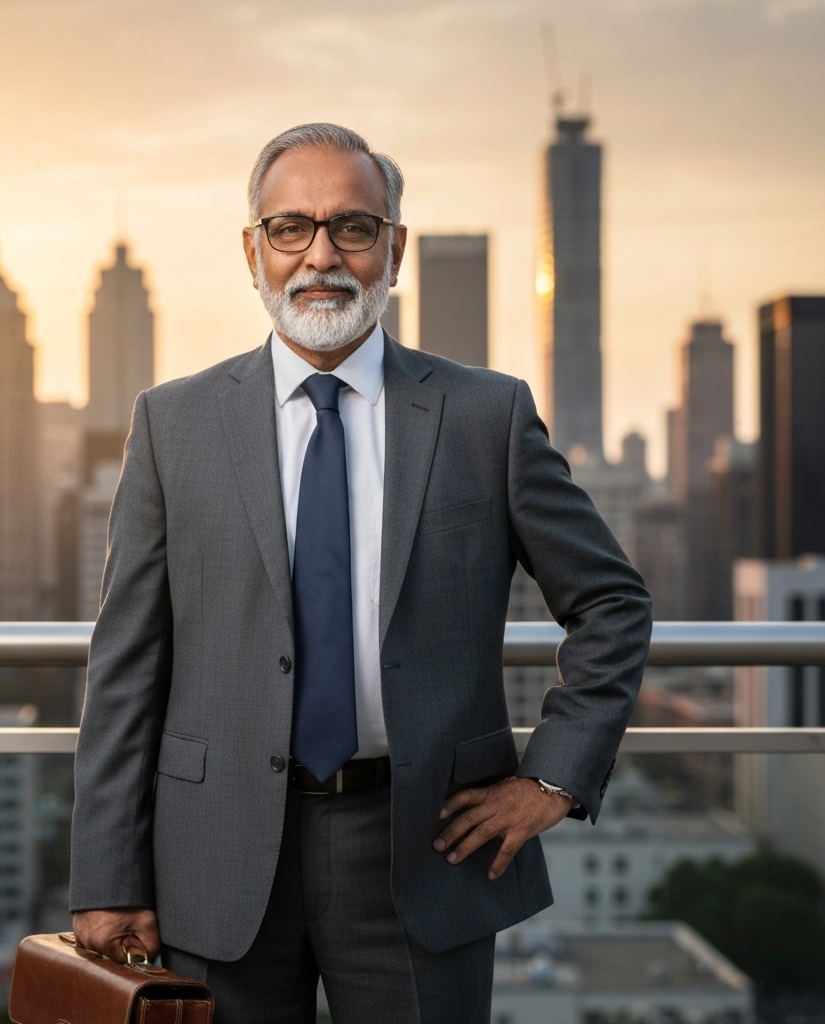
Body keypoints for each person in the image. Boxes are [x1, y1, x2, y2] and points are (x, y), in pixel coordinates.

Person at [70, 123, 652, 1023]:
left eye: (353, 227)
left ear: (396, 248)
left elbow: (611, 602)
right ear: (252, 251)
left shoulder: (484, 417)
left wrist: (552, 779)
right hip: (214, 856)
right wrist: (107, 874)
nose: (321, 256)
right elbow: (126, 668)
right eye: (289, 228)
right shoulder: (171, 425)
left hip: (426, 848)